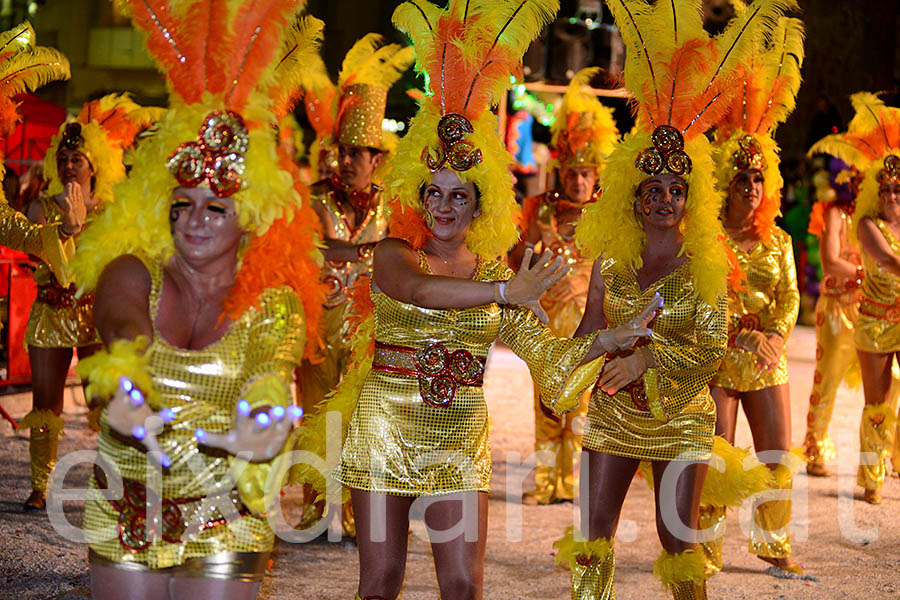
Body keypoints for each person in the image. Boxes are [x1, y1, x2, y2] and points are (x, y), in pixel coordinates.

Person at [292, 2, 658, 598]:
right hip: (383, 427)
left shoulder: (493, 272)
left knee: (463, 584)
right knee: (380, 582)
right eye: (432, 193)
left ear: (480, 204)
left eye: (459, 197)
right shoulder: (393, 253)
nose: (442, 207)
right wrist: (504, 291)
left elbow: (555, 370)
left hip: (459, 435)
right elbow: (418, 293)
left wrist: (605, 342)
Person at [71, 2, 324, 597]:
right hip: (125, 509)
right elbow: (121, 329)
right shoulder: (133, 271)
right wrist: (127, 384)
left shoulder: (273, 302)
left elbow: (272, 373)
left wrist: (264, 426)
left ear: (252, 214)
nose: (195, 222)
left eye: (217, 207)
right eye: (182, 204)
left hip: (225, 515)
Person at [553, 2, 791, 598]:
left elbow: (711, 347)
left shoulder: (706, 262)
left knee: (677, 540)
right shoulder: (612, 261)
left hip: (682, 414)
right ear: (632, 195)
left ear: (691, 197)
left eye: (675, 189)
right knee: (593, 535)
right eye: (652, 188)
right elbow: (587, 331)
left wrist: (647, 359)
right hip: (613, 414)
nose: (663, 198)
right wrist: (561, 373)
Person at [295, 33, 414, 537]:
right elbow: (313, 249)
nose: (348, 161)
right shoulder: (314, 197)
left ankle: (356, 514)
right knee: (317, 416)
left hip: (370, 330)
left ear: (377, 158)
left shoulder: (394, 205)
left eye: (359, 153)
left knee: (365, 421)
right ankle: (316, 509)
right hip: (320, 325)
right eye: (343, 151)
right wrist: (371, 254)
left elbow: (407, 257)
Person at [19, 94, 159, 512]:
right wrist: (66, 227)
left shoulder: (112, 213)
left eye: (76, 160)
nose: (67, 166)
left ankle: (109, 480)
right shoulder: (39, 208)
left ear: (94, 166)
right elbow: (45, 259)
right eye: (62, 158)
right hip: (50, 312)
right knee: (45, 405)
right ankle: (40, 486)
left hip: (95, 316)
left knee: (106, 402)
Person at [706, 15, 805, 577]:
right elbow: (703, 299)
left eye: (758, 179)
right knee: (719, 458)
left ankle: (773, 544)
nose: (750, 188)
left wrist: (773, 335)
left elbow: (791, 298)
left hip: (766, 360)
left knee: (774, 459)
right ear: (725, 184)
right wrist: (739, 329)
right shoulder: (708, 241)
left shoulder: (781, 241)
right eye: (740, 179)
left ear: (770, 185)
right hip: (719, 358)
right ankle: (708, 545)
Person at [514, 67, 619, 506]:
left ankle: (570, 481)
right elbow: (518, 258)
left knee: (580, 402)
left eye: (586, 174)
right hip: (546, 322)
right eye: (572, 173)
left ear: (596, 177)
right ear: (562, 173)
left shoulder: (607, 217)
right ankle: (543, 480)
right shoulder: (541, 210)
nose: (578, 181)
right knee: (545, 400)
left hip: (587, 321)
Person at [823, 93, 900, 505]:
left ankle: (893, 461)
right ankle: (872, 477)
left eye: (898, 189)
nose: (891, 196)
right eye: (885, 189)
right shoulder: (868, 225)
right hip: (873, 321)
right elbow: (887, 260)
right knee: (877, 401)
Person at [801, 158, 866, 477]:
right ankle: (815, 450)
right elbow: (829, 261)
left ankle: (887, 454)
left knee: (891, 379)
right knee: (828, 378)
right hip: (838, 307)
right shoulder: (835, 214)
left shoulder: (875, 217)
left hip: (872, 309)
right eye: (854, 177)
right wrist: (867, 274)